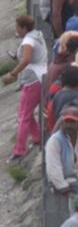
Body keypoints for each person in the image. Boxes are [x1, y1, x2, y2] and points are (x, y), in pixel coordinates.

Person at [2, 15, 48, 162]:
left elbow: (27, 59)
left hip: (32, 81)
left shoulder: (28, 41)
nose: (16, 29)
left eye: (17, 27)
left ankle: (19, 150)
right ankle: (36, 137)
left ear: (23, 27)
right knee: (25, 112)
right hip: (40, 77)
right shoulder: (37, 35)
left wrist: (13, 73)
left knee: (23, 116)